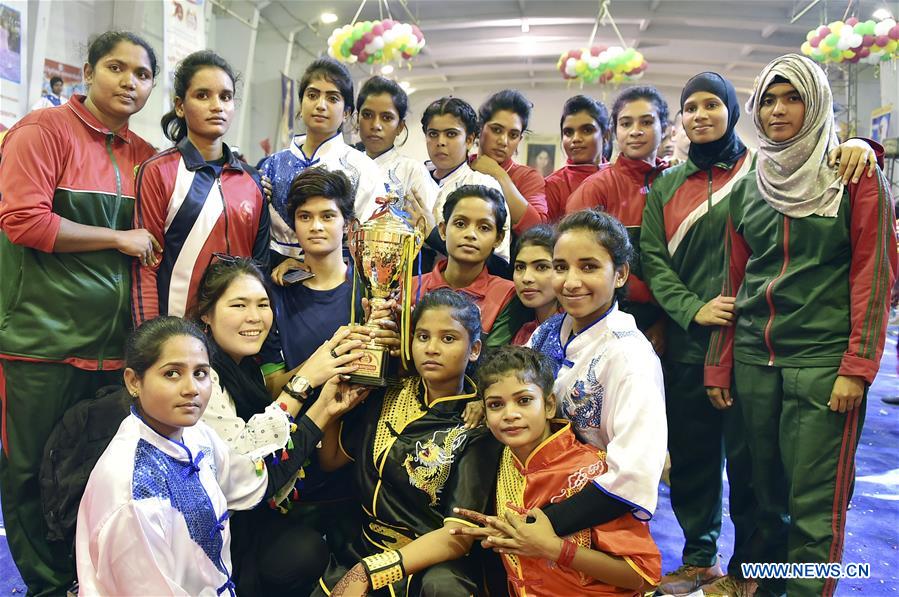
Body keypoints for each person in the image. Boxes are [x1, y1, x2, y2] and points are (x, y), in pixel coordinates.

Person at [705, 54, 897, 597]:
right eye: (768, 99)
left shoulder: (854, 177)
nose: (777, 110)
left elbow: (873, 277)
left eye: (792, 98)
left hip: (821, 367)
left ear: (816, 105)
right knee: (758, 498)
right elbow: (732, 284)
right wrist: (721, 366)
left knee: (813, 505)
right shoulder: (749, 187)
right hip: (752, 364)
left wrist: (857, 368)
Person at [0, 31, 160, 595]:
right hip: (38, 341)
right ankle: (44, 585)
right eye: (116, 68)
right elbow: (24, 221)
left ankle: (83, 579)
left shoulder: (144, 157)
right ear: (88, 71)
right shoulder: (41, 132)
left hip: (113, 349)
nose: (129, 82)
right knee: (27, 473)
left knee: (92, 472)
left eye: (142, 75)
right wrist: (116, 238)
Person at [74, 316, 365, 595]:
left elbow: (258, 480)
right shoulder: (133, 493)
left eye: (200, 373)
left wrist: (325, 409)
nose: (191, 389)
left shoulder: (193, 435)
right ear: (133, 381)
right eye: (171, 373)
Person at [640, 71, 759, 597]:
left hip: (752, 344)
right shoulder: (665, 186)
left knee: (752, 466)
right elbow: (653, 260)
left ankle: (748, 571)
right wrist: (692, 308)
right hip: (688, 345)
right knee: (692, 462)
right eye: (691, 108)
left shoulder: (761, 174)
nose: (701, 115)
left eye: (712, 104)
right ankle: (699, 560)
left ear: (732, 110)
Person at [315, 289, 505, 596]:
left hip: (427, 561)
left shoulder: (477, 426)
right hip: (365, 544)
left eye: (448, 339)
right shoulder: (389, 392)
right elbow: (332, 459)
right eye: (422, 336)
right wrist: (334, 407)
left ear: (474, 349)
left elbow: (457, 534)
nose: (432, 348)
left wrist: (371, 571)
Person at [194, 256, 364, 594]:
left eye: (262, 304)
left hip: (247, 515)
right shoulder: (201, 375)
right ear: (206, 315)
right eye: (238, 305)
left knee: (308, 547)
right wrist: (302, 383)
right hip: (208, 533)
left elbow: (272, 458)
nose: (254, 317)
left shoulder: (244, 367)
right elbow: (244, 467)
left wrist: (326, 407)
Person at [452, 345, 661, 596]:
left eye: (524, 400)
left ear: (550, 405)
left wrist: (554, 549)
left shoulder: (592, 471)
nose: (510, 414)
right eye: (496, 405)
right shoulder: (498, 460)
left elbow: (643, 576)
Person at [527, 210, 666, 528]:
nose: (571, 282)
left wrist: (545, 525)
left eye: (588, 267)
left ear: (620, 274)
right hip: (535, 489)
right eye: (561, 267)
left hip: (591, 515)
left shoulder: (630, 358)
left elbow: (632, 475)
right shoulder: (550, 330)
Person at [132, 50, 270, 324]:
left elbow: (261, 267)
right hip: (178, 335)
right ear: (180, 106)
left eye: (226, 97)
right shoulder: (159, 171)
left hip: (239, 339)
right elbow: (145, 268)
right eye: (203, 95)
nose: (217, 105)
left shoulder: (252, 181)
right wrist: (148, 342)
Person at [566, 86, 669, 348]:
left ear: (665, 128)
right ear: (614, 132)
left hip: (673, 315)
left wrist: (666, 319)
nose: (635, 131)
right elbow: (574, 260)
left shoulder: (675, 183)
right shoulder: (595, 187)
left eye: (646, 122)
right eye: (626, 123)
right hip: (609, 313)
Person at [258, 57, 387, 259]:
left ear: (346, 113)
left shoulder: (363, 169)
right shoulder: (272, 164)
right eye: (312, 95)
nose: (320, 105)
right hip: (275, 275)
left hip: (338, 276)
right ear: (301, 104)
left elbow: (371, 241)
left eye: (332, 98)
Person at [414, 184, 529, 348]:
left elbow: (490, 361)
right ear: (443, 230)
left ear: (499, 238)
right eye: (460, 224)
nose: (470, 234)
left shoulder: (508, 295)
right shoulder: (411, 287)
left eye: (484, 227)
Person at [412, 96, 511, 267]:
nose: (440, 142)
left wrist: (434, 234)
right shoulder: (413, 178)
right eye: (433, 134)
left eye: (451, 134)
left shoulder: (484, 186)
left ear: (469, 140)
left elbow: (499, 263)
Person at [470, 89, 548, 236]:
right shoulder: (462, 167)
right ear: (480, 128)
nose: (503, 141)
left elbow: (538, 230)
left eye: (513, 135)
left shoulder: (528, 177)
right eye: (496, 130)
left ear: (520, 140)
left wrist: (499, 175)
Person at [355, 75, 437, 210]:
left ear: (400, 126)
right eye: (368, 115)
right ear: (357, 119)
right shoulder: (345, 166)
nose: (376, 125)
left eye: (386, 118)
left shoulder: (413, 172)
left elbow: (426, 225)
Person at [544, 95, 610, 222]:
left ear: (606, 135)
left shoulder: (619, 178)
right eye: (568, 132)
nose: (576, 139)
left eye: (587, 130)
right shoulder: (552, 186)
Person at [511, 224, 560, 346]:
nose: (526, 278)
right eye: (520, 267)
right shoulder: (523, 332)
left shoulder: (574, 330)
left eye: (541, 267)